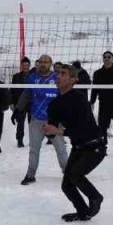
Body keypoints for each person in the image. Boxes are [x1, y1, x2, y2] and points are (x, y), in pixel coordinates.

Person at [44, 63, 107, 222]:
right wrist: (48, 131)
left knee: (75, 175)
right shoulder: (55, 103)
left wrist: (58, 132)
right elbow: (53, 128)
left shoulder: (79, 98)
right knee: (67, 185)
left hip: (95, 146)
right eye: (57, 73)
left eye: (63, 73)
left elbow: (82, 129)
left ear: (73, 80)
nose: (58, 76)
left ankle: (96, 197)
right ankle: (83, 212)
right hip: (78, 147)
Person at [16, 54, 67, 185]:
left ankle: (68, 174)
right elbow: (26, 94)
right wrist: (18, 109)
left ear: (50, 63)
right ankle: (30, 174)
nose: (43, 64)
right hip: (36, 119)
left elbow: (65, 96)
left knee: (61, 148)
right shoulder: (32, 78)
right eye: (41, 62)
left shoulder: (57, 78)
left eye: (46, 62)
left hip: (54, 121)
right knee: (34, 149)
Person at [10, 57, 32, 148]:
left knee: (33, 123)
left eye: (27, 65)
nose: (25, 67)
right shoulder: (16, 77)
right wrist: (11, 103)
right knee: (20, 122)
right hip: (20, 103)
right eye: (24, 65)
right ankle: (20, 140)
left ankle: (34, 140)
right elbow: (12, 90)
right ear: (21, 66)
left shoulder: (34, 75)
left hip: (32, 103)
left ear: (29, 66)